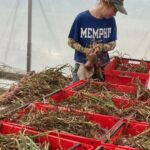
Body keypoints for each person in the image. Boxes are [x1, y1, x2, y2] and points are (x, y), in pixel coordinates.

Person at [68, 0, 127, 83]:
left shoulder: (111, 21)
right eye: (114, 10)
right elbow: (71, 41)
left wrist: (100, 47)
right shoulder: (82, 18)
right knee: (78, 93)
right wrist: (86, 51)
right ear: (106, 3)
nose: (115, 14)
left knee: (101, 93)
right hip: (83, 66)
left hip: (102, 66)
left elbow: (113, 44)